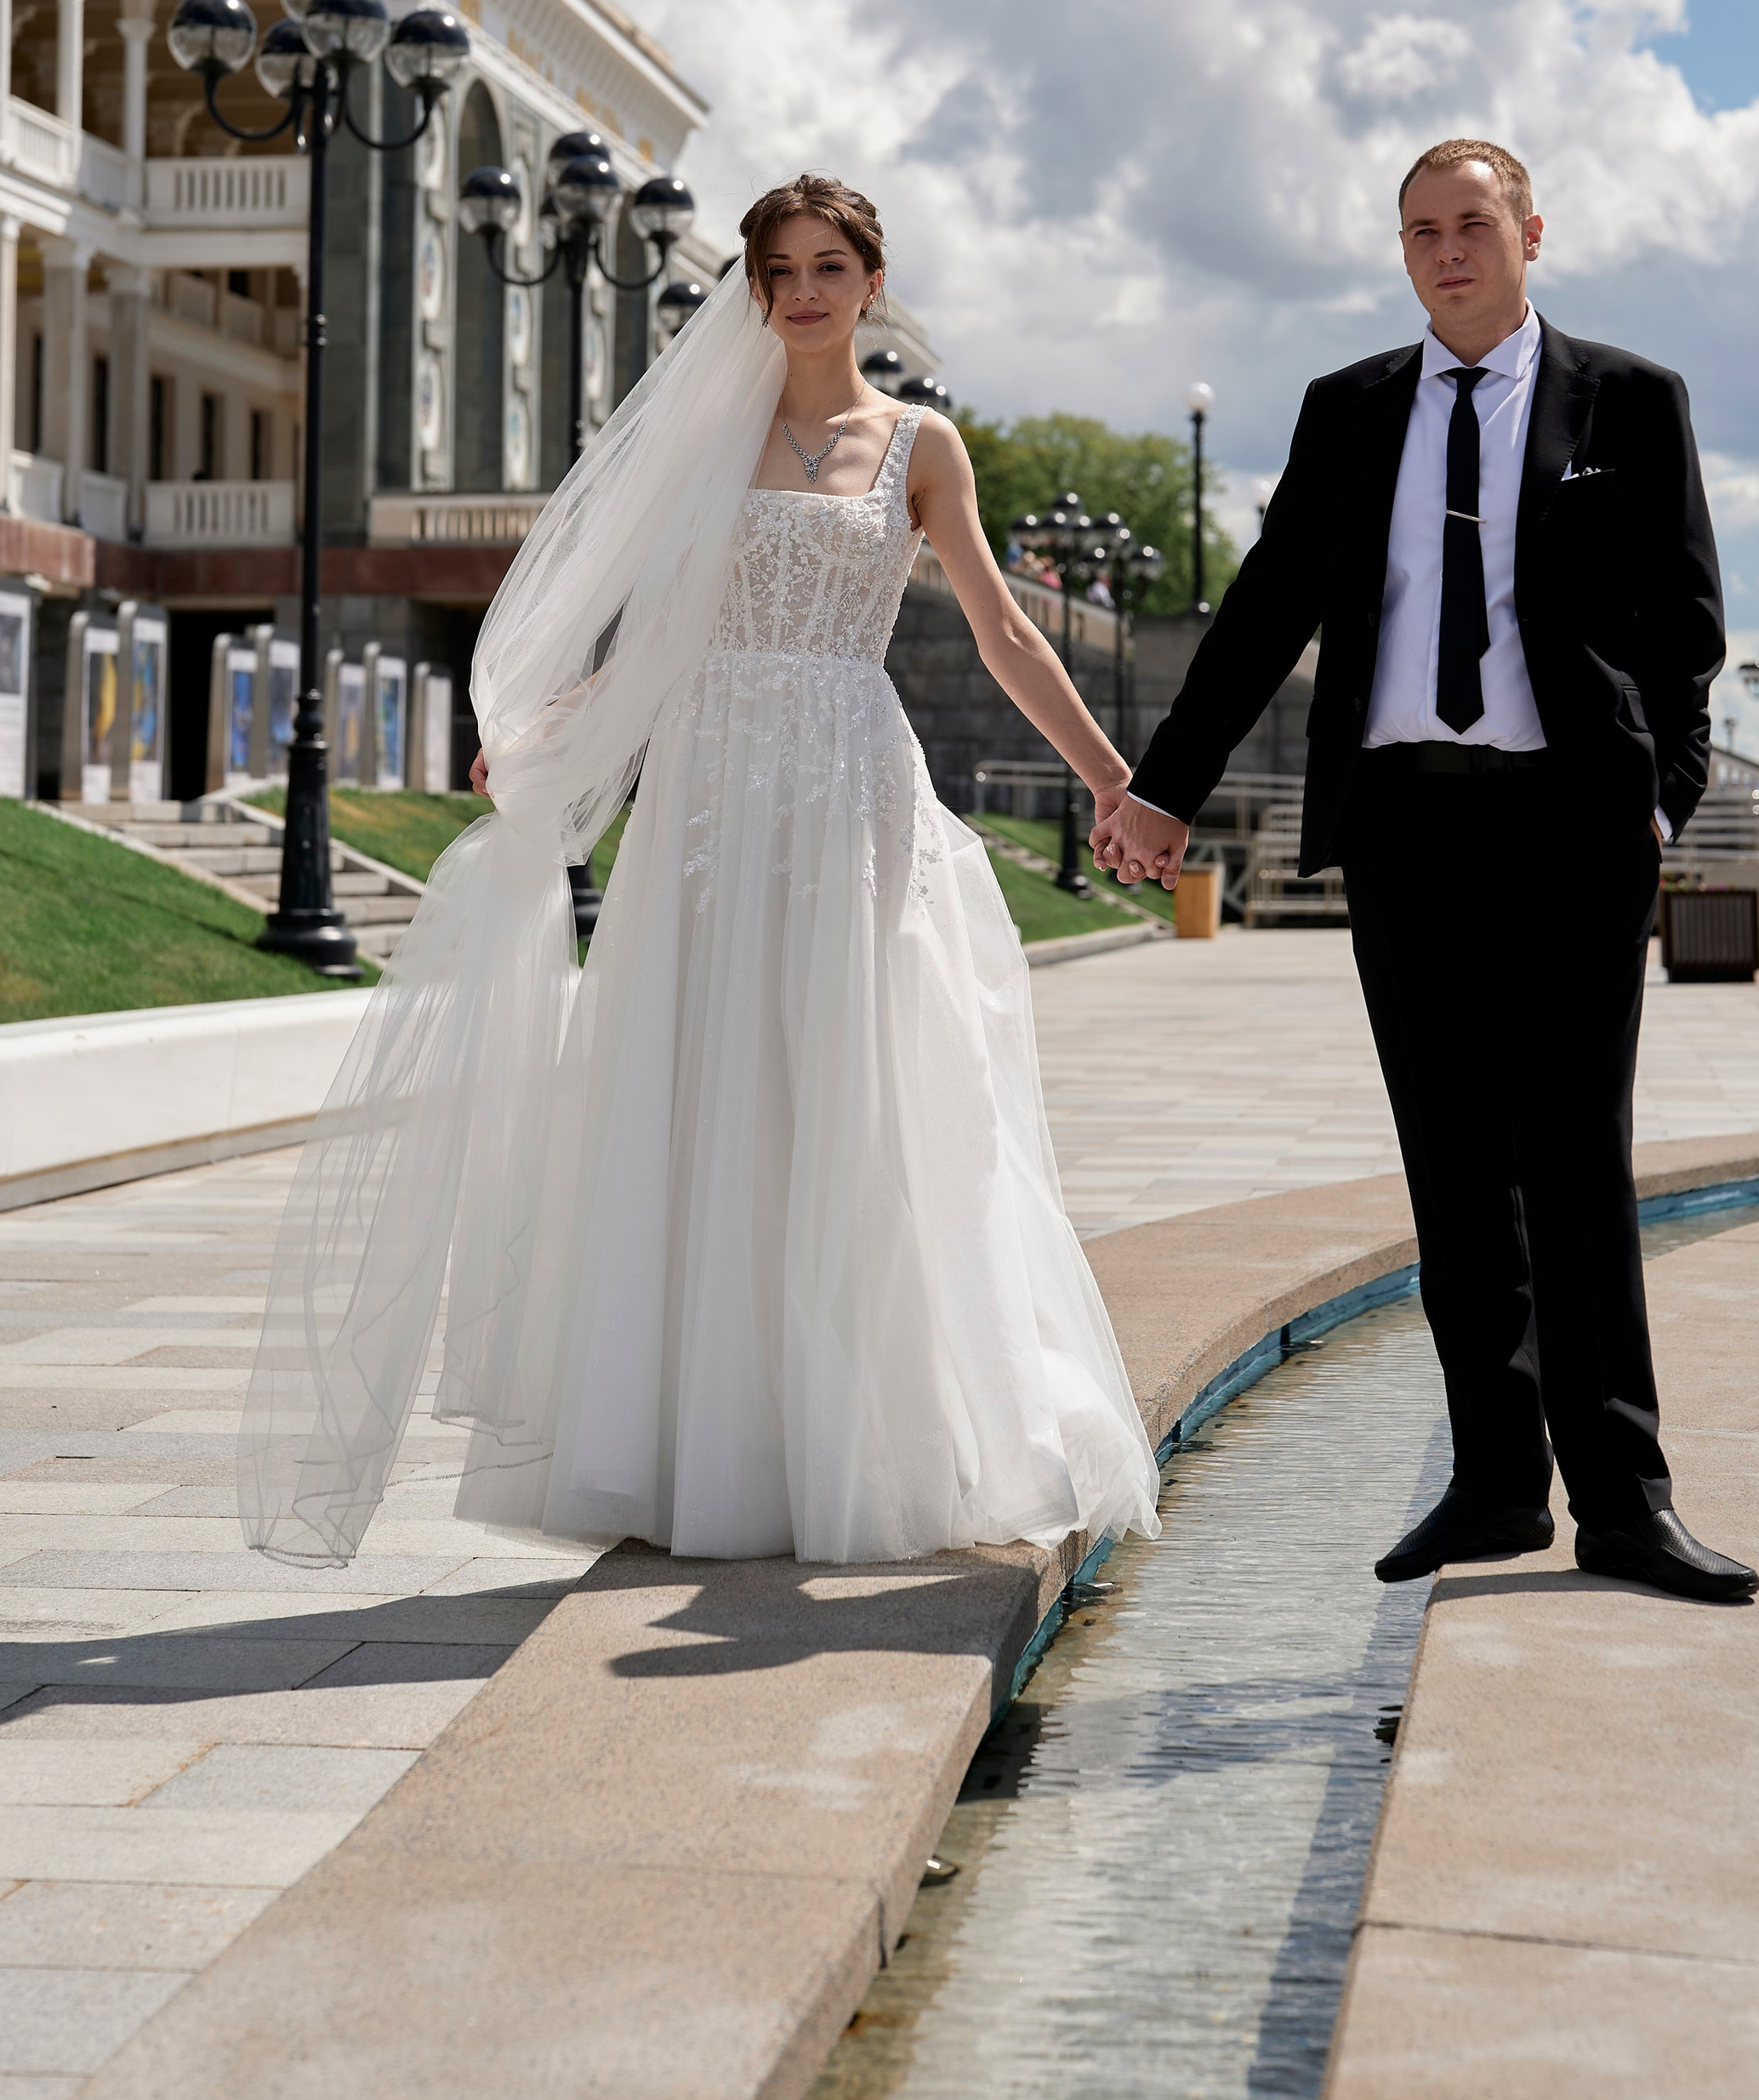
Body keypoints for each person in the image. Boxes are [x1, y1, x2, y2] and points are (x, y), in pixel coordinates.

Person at [240, 174, 1157, 1570]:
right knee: (700, 1076)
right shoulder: (712, 433)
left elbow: (1004, 633)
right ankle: (701, 1445)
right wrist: (554, 727)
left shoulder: (922, 447)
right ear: (755, 287)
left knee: (848, 1082)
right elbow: (652, 622)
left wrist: (1109, 776)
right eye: (781, 268)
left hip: (848, 783)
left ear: (873, 282)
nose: (806, 291)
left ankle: (867, 1435)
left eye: (831, 265)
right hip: (710, 794)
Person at [1093, 139, 1756, 1607]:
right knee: (1453, 1169)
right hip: (1404, 827)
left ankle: (1627, 1500)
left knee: (1573, 1162)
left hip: (1574, 827)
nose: (1447, 252)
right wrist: (1166, 787)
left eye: (1472, 225)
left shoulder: (1630, 399)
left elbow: (1685, 623)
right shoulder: (1348, 409)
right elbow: (1267, 608)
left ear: (1531, 233)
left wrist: (1664, 802)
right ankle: (1496, 1485)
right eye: (1420, 232)